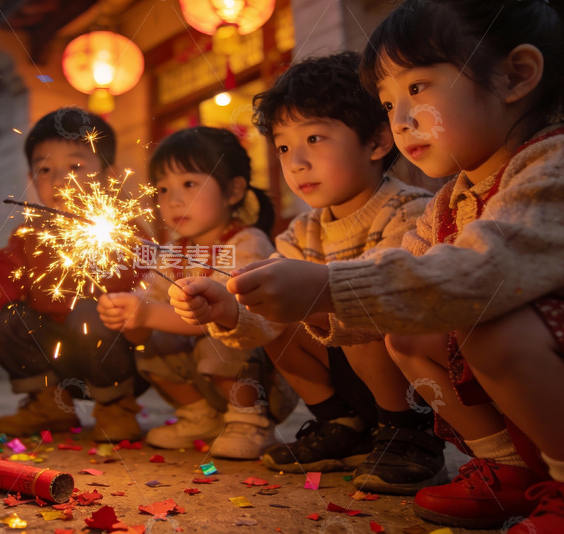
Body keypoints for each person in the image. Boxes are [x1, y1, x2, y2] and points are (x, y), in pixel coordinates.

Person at [176, 1, 564, 530]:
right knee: (402, 327)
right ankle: (508, 468)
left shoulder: (550, 165)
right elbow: (387, 293)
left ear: (515, 75)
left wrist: (329, 286)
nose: (401, 120)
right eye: (387, 102)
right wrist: (231, 309)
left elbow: (484, 273)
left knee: (488, 322)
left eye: (418, 89)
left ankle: (428, 440)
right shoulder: (451, 200)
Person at [169, 52, 445, 494]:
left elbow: (403, 297)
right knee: (273, 303)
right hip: (350, 376)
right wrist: (228, 309)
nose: (295, 162)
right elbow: (265, 322)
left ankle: (408, 435)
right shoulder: (302, 231)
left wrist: (328, 291)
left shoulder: (408, 211)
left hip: (415, 383)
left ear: (376, 141)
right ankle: (342, 424)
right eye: (282, 147)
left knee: (360, 298)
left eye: (315, 138)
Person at [0, 107, 145, 442]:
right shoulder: (29, 236)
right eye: (45, 169)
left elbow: (151, 290)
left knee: (94, 311)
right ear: (32, 180)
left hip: (117, 358)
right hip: (55, 359)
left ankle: (117, 406)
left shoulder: (127, 233)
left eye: (76, 167)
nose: (60, 179)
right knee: (1, 320)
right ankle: (48, 404)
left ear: (109, 174)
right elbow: (3, 276)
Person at [97, 126, 296, 460]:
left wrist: (146, 312)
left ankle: (249, 420)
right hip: (204, 375)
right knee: (152, 342)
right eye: (162, 189)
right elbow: (154, 306)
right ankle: (200, 415)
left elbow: (223, 316)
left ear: (233, 191)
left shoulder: (247, 243)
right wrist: (131, 315)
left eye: (189, 184)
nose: (173, 200)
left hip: (263, 382)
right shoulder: (174, 252)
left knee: (221, 330)